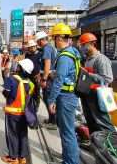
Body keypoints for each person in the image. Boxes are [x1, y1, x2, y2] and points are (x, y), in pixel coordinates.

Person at [48, 23, 80, 164]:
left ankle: (71, 162)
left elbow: (59, 80)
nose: (54, 41)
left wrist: (51, 100)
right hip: (68, 96)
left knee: (67, 134)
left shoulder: (65, 56)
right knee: (66, 132)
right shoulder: (73, 51)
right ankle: (67, 159)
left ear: (60, 38)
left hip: (65, 97)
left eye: (54, 38)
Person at [79, 33, 116, 134]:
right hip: (88, 93)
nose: (82, 48)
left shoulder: (101, 59)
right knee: (91, 121)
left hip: (98, 95)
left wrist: (88, 74)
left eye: (83, 45)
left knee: (103, 122)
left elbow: (107, 78)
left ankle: (112, 145)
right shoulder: (88, 59)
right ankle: (96, 144)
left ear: (91, 44)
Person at [2, 59, 35, 164]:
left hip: (12, 113)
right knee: (23, 134)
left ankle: (13, 157)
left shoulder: (10, 79)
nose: (17, 67)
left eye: (18, 66)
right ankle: (22, 157)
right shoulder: (30, 83)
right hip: (24, 114)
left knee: (12, 134)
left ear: (20, 68)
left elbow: (6, 93)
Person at [35, 31, 57, 130]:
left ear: (41, 40)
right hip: (50, 77)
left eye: (38, 41)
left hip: (48, 79)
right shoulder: (51, 48)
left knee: (49, 99)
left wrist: (43, 79)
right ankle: (51, 119)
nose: (37, 44)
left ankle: (53, 122)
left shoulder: (47, 49)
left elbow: (47, 64)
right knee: (50, 98)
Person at [25, 40, 42, 112]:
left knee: (37, 92)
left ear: (36, 46)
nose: (32, 48)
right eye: (30, 47)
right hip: (29, 77)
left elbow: (43, 66)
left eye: (33, 47)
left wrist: (40, 75)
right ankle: (29, 105)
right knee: (28, 91)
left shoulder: (40, 54)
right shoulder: (27, 55)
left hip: (37, 77)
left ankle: (37, 105)